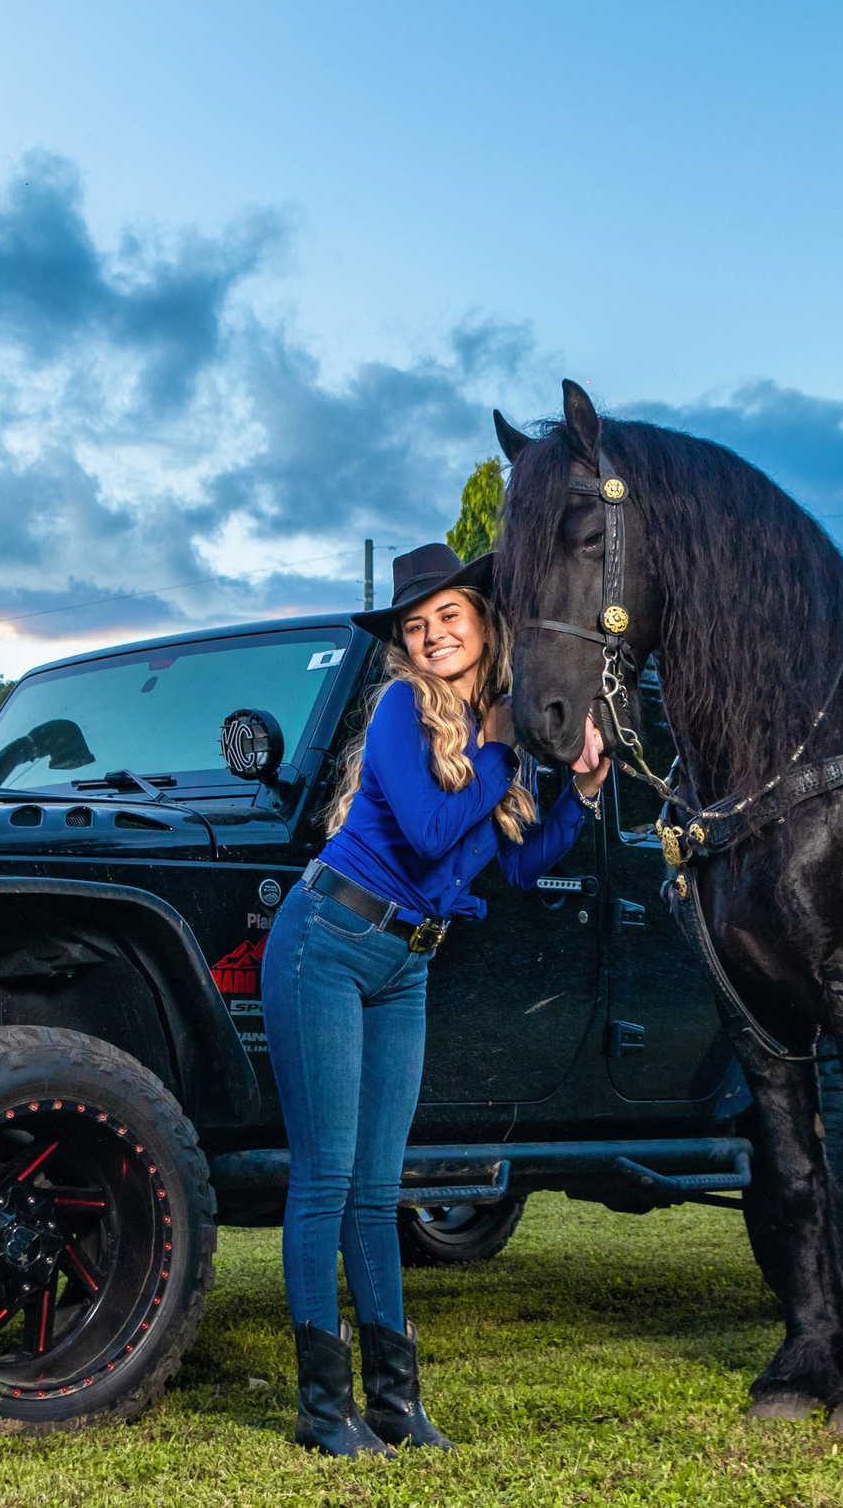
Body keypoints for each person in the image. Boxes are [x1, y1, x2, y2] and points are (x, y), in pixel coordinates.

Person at [263, 542, 608, 1457]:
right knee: (328, 1179)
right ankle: (320, 1408)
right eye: (417, 628)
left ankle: (393, 1403)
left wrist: (574, 790)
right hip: (326, 945)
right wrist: (498, 749)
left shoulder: (499, 732)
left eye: (448, 616)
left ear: (484, 622)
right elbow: (424, 831)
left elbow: (520, 864)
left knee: (379, 1190)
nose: (432, 636)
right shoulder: (397, 710)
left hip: (405, 962)